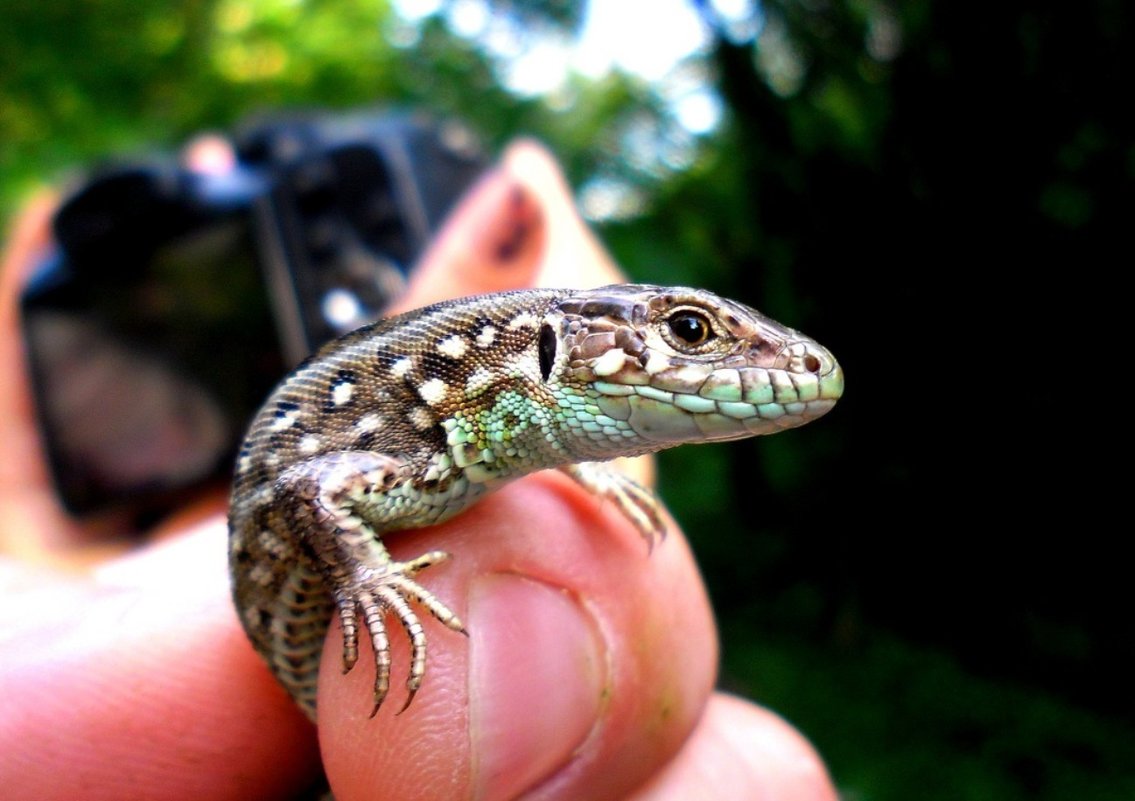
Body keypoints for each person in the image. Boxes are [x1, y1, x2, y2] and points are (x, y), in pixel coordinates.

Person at [0, 139, 837, 801]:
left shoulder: (493, 430)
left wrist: (577, 465)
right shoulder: (415, 457)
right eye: (688, 333)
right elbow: (309, 488)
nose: (778, 363)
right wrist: (367, 578)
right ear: (551, 348)